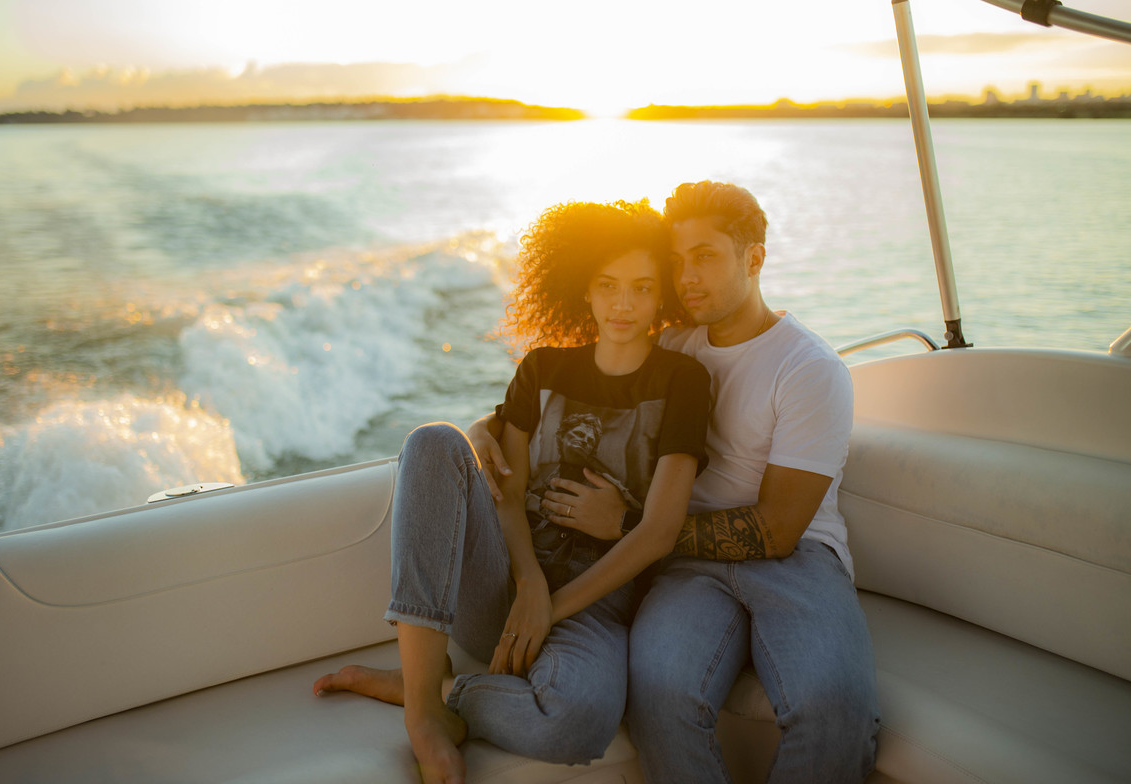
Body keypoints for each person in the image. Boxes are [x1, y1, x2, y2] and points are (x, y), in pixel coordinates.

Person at [470, 181, 881, 783]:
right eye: (678, 261)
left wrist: (630, 525)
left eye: (706, 257)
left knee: (834, 709)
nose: (687, 277)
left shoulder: (809, 370)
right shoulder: (671, 343)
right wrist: (487, 425)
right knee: (660, 700)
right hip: (684, 571)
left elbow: (777, 531)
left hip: (798, 560)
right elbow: (567, 383)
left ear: (755, 258)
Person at [312, 199, 711, 784]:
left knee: (576, 724)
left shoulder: (683, 382)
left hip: (594, 609)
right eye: (607, 285)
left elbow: (658, 531)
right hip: (502, 590)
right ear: (584, 290)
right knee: (432, 442)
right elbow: (507, 490)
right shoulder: (543, 369)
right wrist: (527, 583)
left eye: (642, 288)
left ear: (661, 296)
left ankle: (443, 688)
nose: (623, 304)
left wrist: (550, 607)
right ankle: (425, 713)